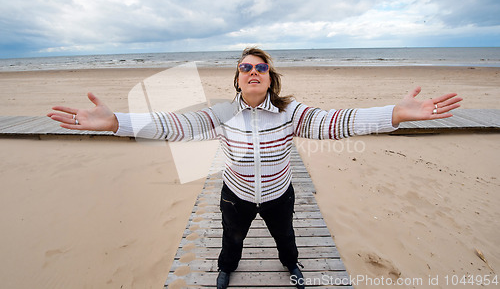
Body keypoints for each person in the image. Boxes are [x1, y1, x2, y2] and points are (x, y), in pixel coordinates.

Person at [47, 47, 462, 289]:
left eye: (260, 67)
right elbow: (175, 125)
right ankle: (226, 271)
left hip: (280, 192)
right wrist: (117, 121)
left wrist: (394, 114)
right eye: (245, 67)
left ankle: (292, 265)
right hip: (236, 194)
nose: (252, 71)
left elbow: (337, 122)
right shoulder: (221, 113)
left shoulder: (290, 112)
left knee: (286, 236)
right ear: (237, 78)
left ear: (270, 78)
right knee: (232, 239)